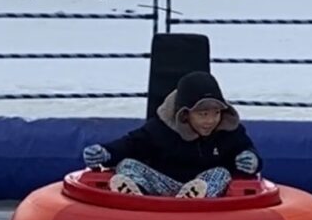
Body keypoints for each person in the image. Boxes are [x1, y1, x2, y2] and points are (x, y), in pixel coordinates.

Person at [82, 71, 261, 198]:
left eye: (216, 113)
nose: (210, 121)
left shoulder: (228, 130)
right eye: (203, 114)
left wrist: (251, 160)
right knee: (127, 165)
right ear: (185, 114)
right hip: (162, 184)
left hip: (203, 188)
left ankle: (195, 197)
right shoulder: (161, 129)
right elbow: (131, 144)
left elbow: (246, 149)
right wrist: (106, 152)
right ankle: (135, 195)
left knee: (221, 173)